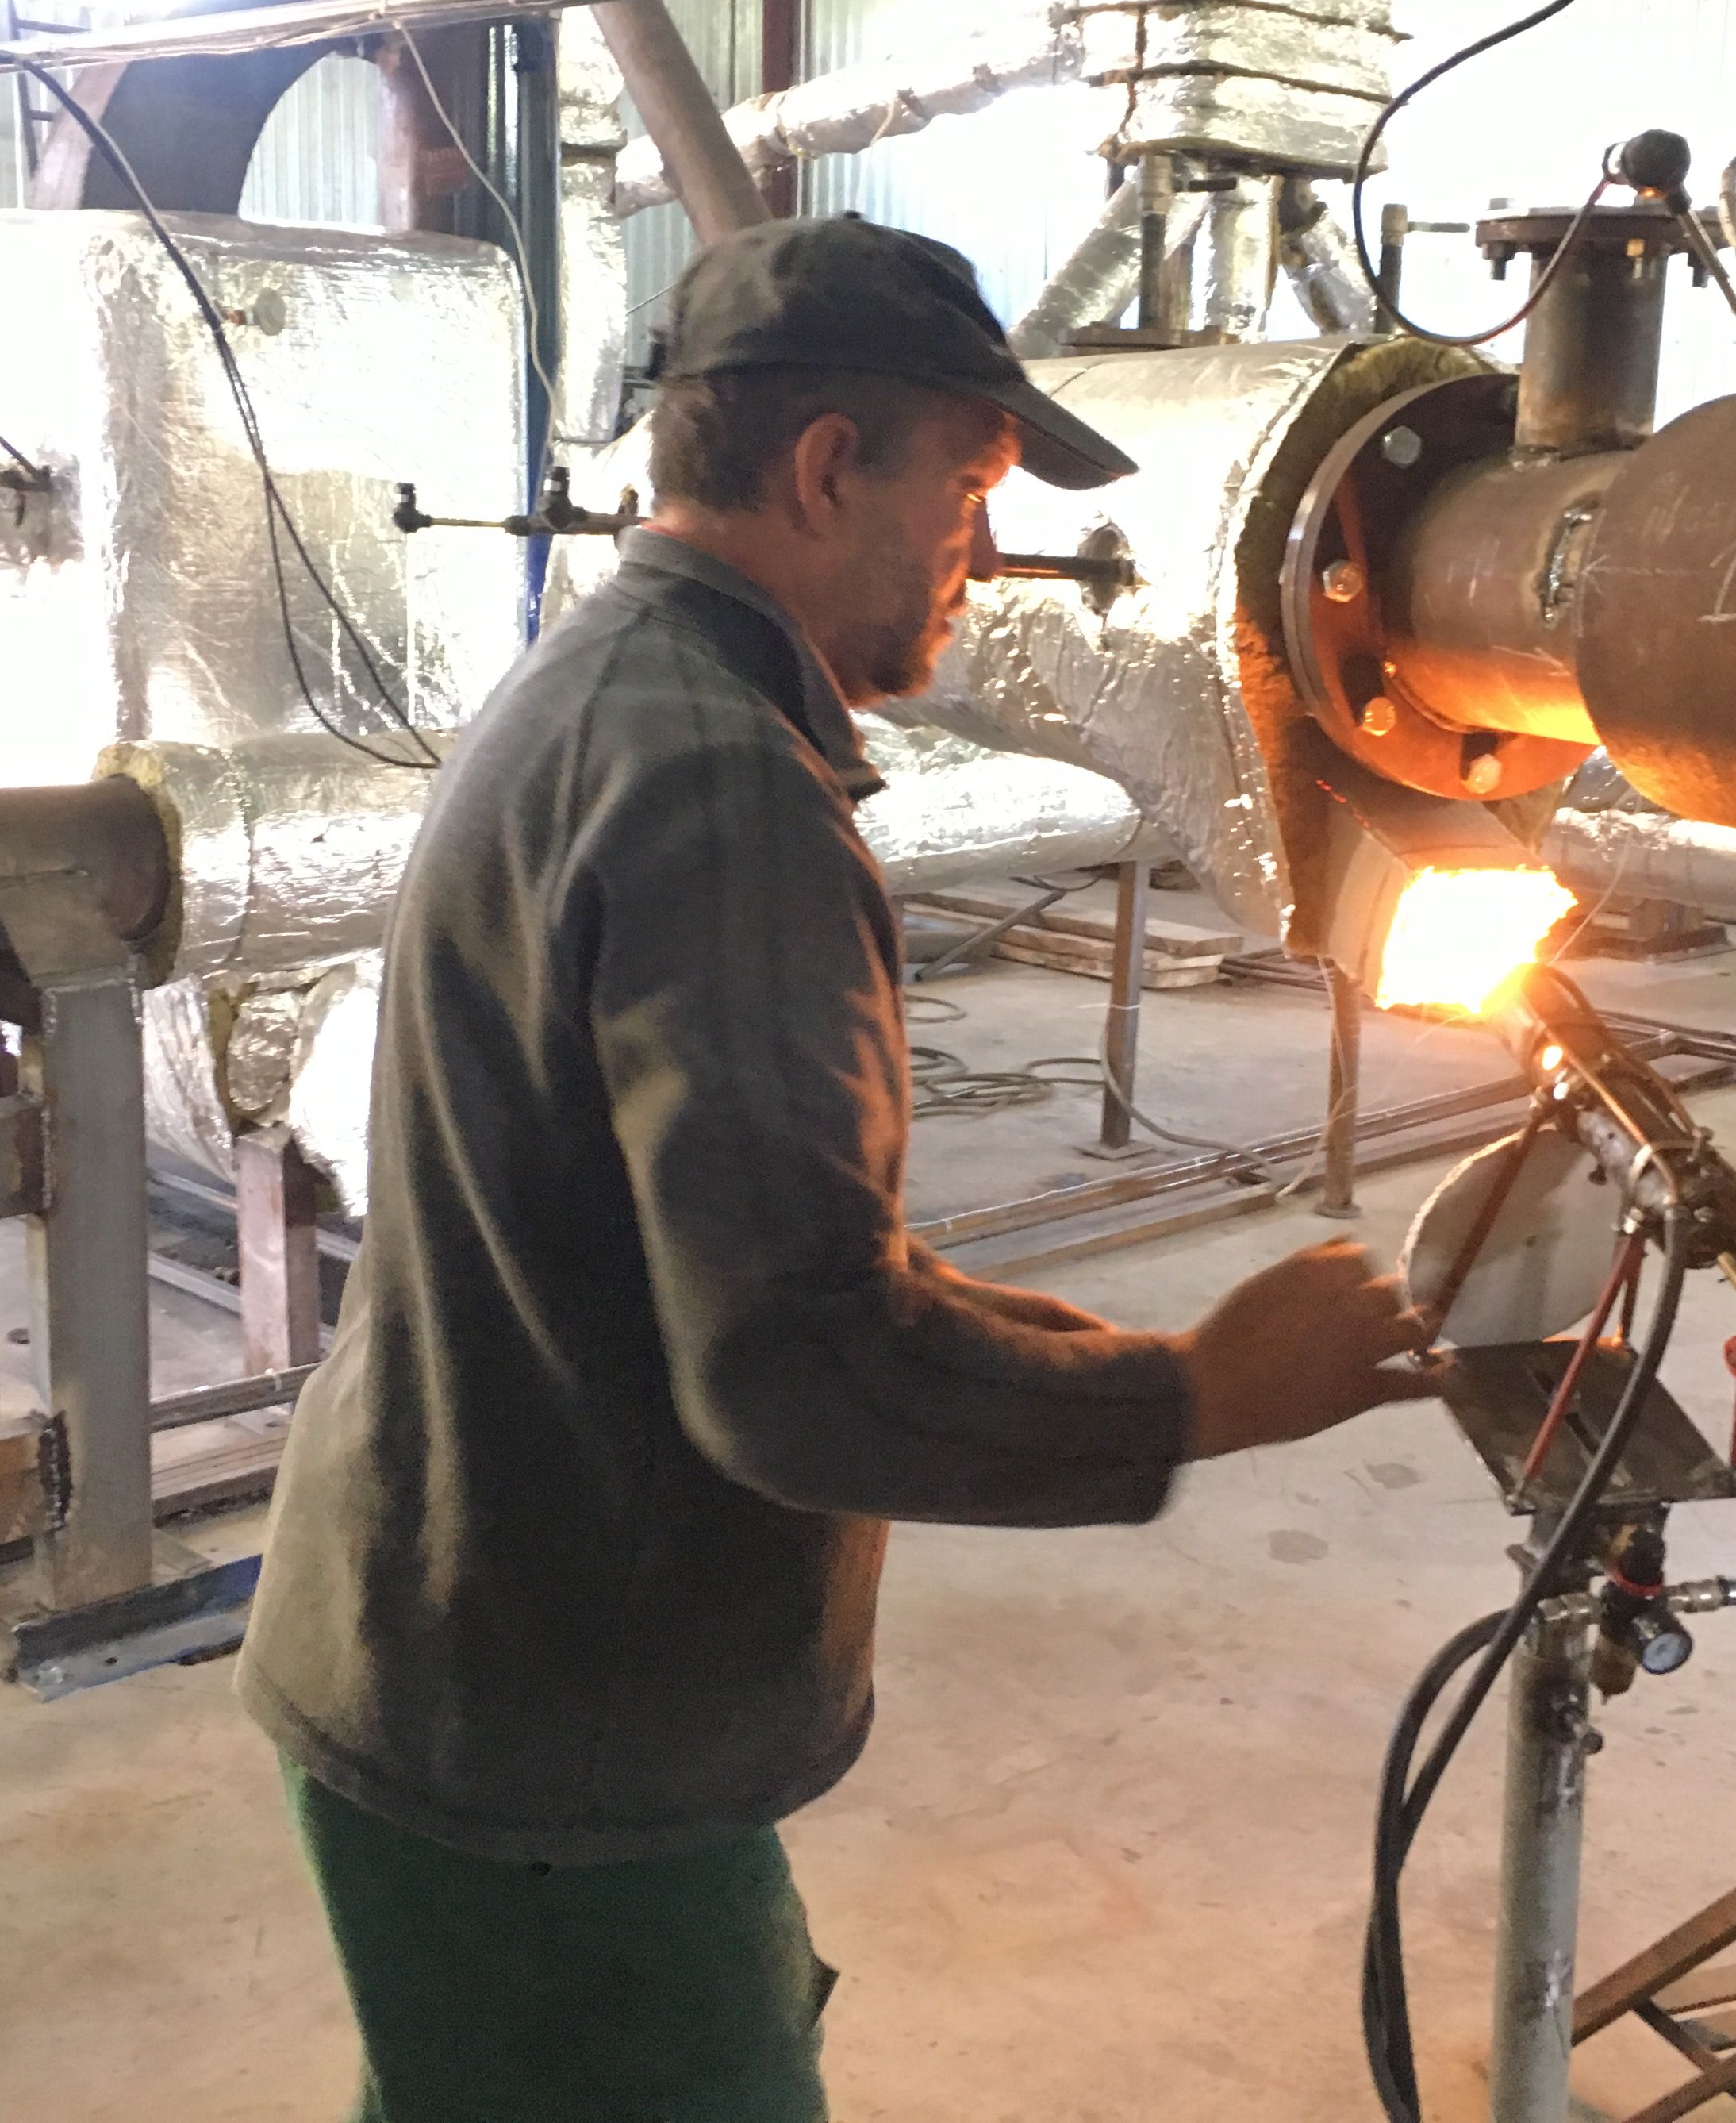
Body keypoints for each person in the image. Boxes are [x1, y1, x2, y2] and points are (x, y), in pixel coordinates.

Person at [241, 217, 1438, 2122]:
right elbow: (793, 1367)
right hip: (562, 1750)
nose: (986, 549)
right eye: (966, 489)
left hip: (463, 1648)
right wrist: (1195, 1396)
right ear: (825, 471)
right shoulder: (724, 784)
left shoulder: (607, 683)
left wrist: (1040, 1338)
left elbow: (720, 1255)